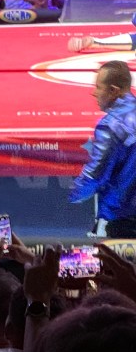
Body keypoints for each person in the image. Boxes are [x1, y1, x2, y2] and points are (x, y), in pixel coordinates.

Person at [70, 61, 136, 237]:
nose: (94, 92)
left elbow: (96, 174)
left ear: (113, 91)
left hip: (122, 219)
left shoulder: (110, 126)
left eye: (99, 87)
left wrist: (72, 195)